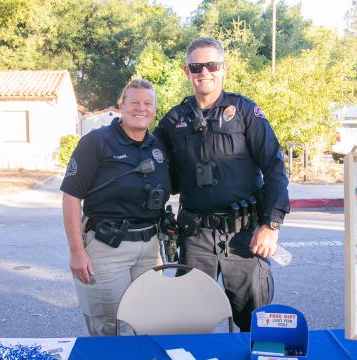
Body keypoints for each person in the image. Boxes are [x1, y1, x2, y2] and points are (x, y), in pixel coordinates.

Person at [154, 38, 290, 331]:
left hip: (244, 235)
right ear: (186, 72)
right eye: (196, 66)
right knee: (190, 323)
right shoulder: (174, 119)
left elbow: (274, 167)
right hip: (194, 236)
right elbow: (153, 168)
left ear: (223, 68)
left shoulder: (244, 112)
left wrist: (271, 225)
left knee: (254, 324)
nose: (205, 72)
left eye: (212, 65)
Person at [61, 78, 171, 336]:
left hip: (150, 249)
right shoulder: (96, 142)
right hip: (107, 249)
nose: (140, 108)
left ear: (155, 110)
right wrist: (77, 251)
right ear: (121, 105)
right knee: (110, 328)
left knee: (147, 322)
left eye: (148, 103)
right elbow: (71, 198)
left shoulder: (159, 147)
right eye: (134, 102)